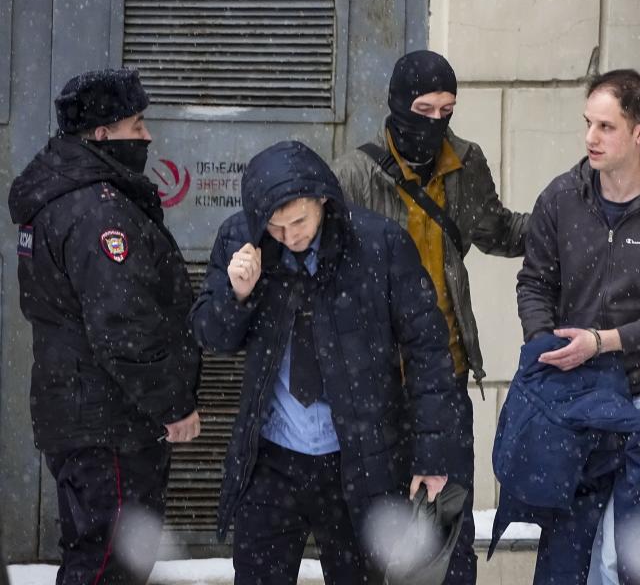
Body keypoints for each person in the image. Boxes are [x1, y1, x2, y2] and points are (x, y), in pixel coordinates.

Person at [189, 140, 460, 585]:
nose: (291, 236)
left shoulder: (379, 243)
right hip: (271, 461)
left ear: (323, 199)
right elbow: (209, 335)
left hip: (360, 460)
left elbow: (428, 350)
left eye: (299, 221)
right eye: (276, 227)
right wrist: (236, 295)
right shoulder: (243, 240)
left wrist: (431, 453)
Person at [332, 50, 528, 584]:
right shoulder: (353, 175)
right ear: (398, 104)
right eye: (423, 107)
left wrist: (566, 226)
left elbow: (498, 230)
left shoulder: (465, 164)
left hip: (443, 380)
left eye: (447, 109)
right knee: (372, 542)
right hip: (373, 386)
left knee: (446, 544)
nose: (436, 122)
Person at [516, 69, 640, 584]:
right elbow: (534, 282)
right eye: (588, 123)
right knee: (569, 539)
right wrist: (544, 345)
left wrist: (603, 342)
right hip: (575, 391)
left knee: (617, 548)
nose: (590, 138)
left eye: (606, 126)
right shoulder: (562, 198)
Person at [8, 68, 201, 585]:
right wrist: (173, 403)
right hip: (107, 423)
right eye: (136, 124)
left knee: (97, 556)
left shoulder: (67, 196)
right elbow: (124, 323)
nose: (147, 135)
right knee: (108, 565)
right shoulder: (96, 210)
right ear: (102, 135)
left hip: (84, 415)